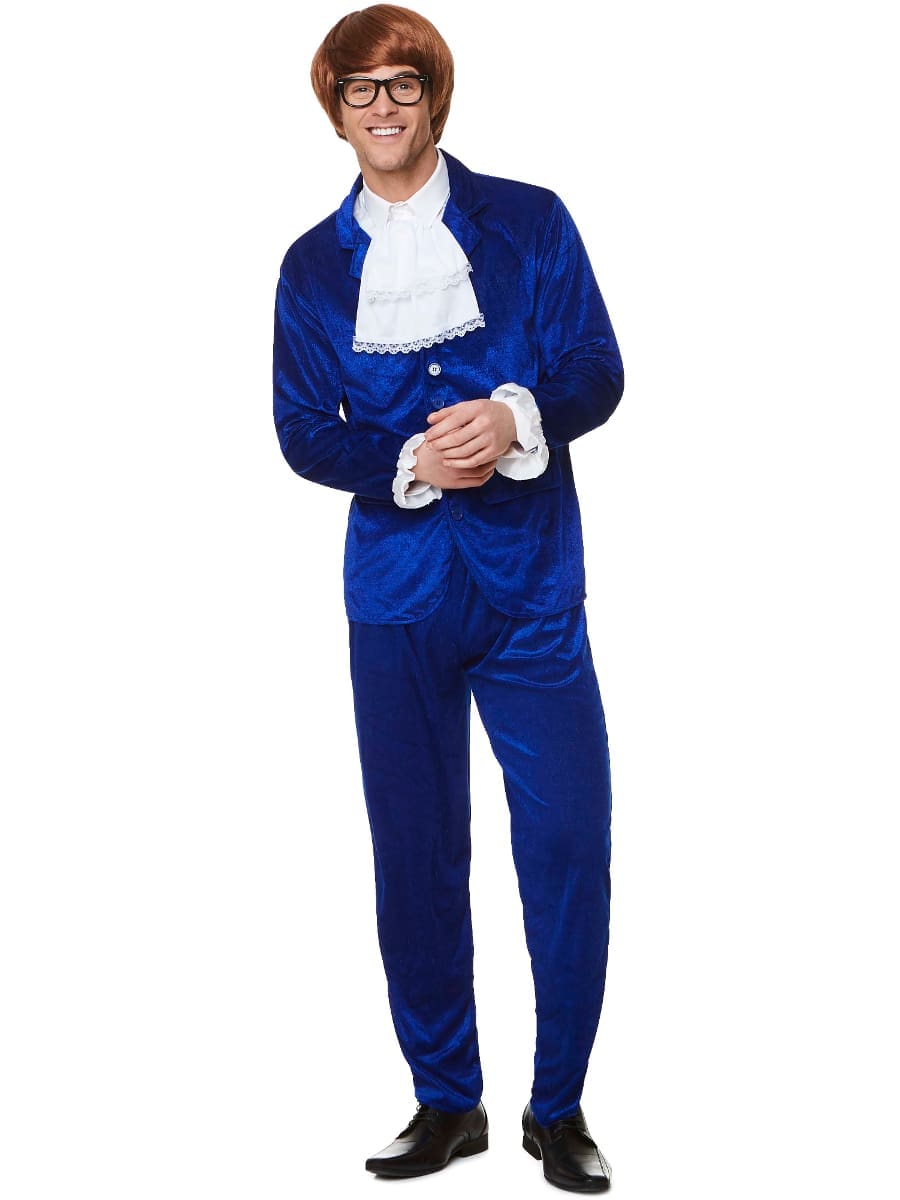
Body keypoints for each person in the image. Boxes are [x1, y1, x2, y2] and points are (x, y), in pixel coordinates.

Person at [273, 5, 623, 1190]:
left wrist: (518, 416)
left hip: (532, 588)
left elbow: (596, 368)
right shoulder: (311, 267)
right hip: (397, 599)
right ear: (336, 110)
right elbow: (301, 430)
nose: (383, 107)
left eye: (402, 84)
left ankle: (558, 1108)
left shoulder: (530, 221)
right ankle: (446, 1100)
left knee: (568, 840)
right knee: (416, 854)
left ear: (435, 97)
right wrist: (406, 458)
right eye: (359, 89)